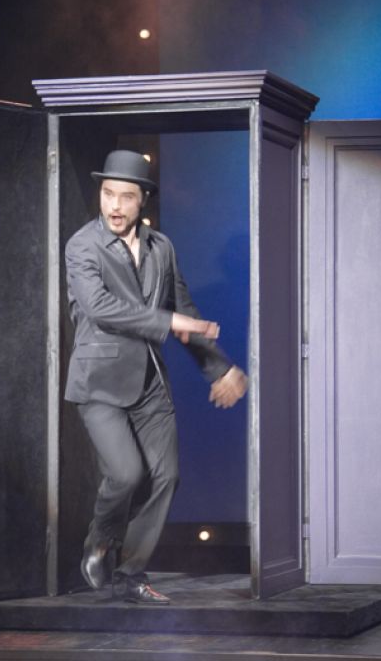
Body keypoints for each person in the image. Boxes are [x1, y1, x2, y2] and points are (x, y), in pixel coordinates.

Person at [65, 149, 247, 605]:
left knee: (166, 478)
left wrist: (219, 367)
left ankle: (131, 573)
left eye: (126, 196)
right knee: (126, 474)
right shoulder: (82, 246)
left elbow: (185, 312)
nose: (115, 206)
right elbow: (100, 308)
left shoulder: (161, 248)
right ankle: (100, 540)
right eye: (108, 194)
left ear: (142, 199)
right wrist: (168, 322)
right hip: (99, 381)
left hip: (149, 384)